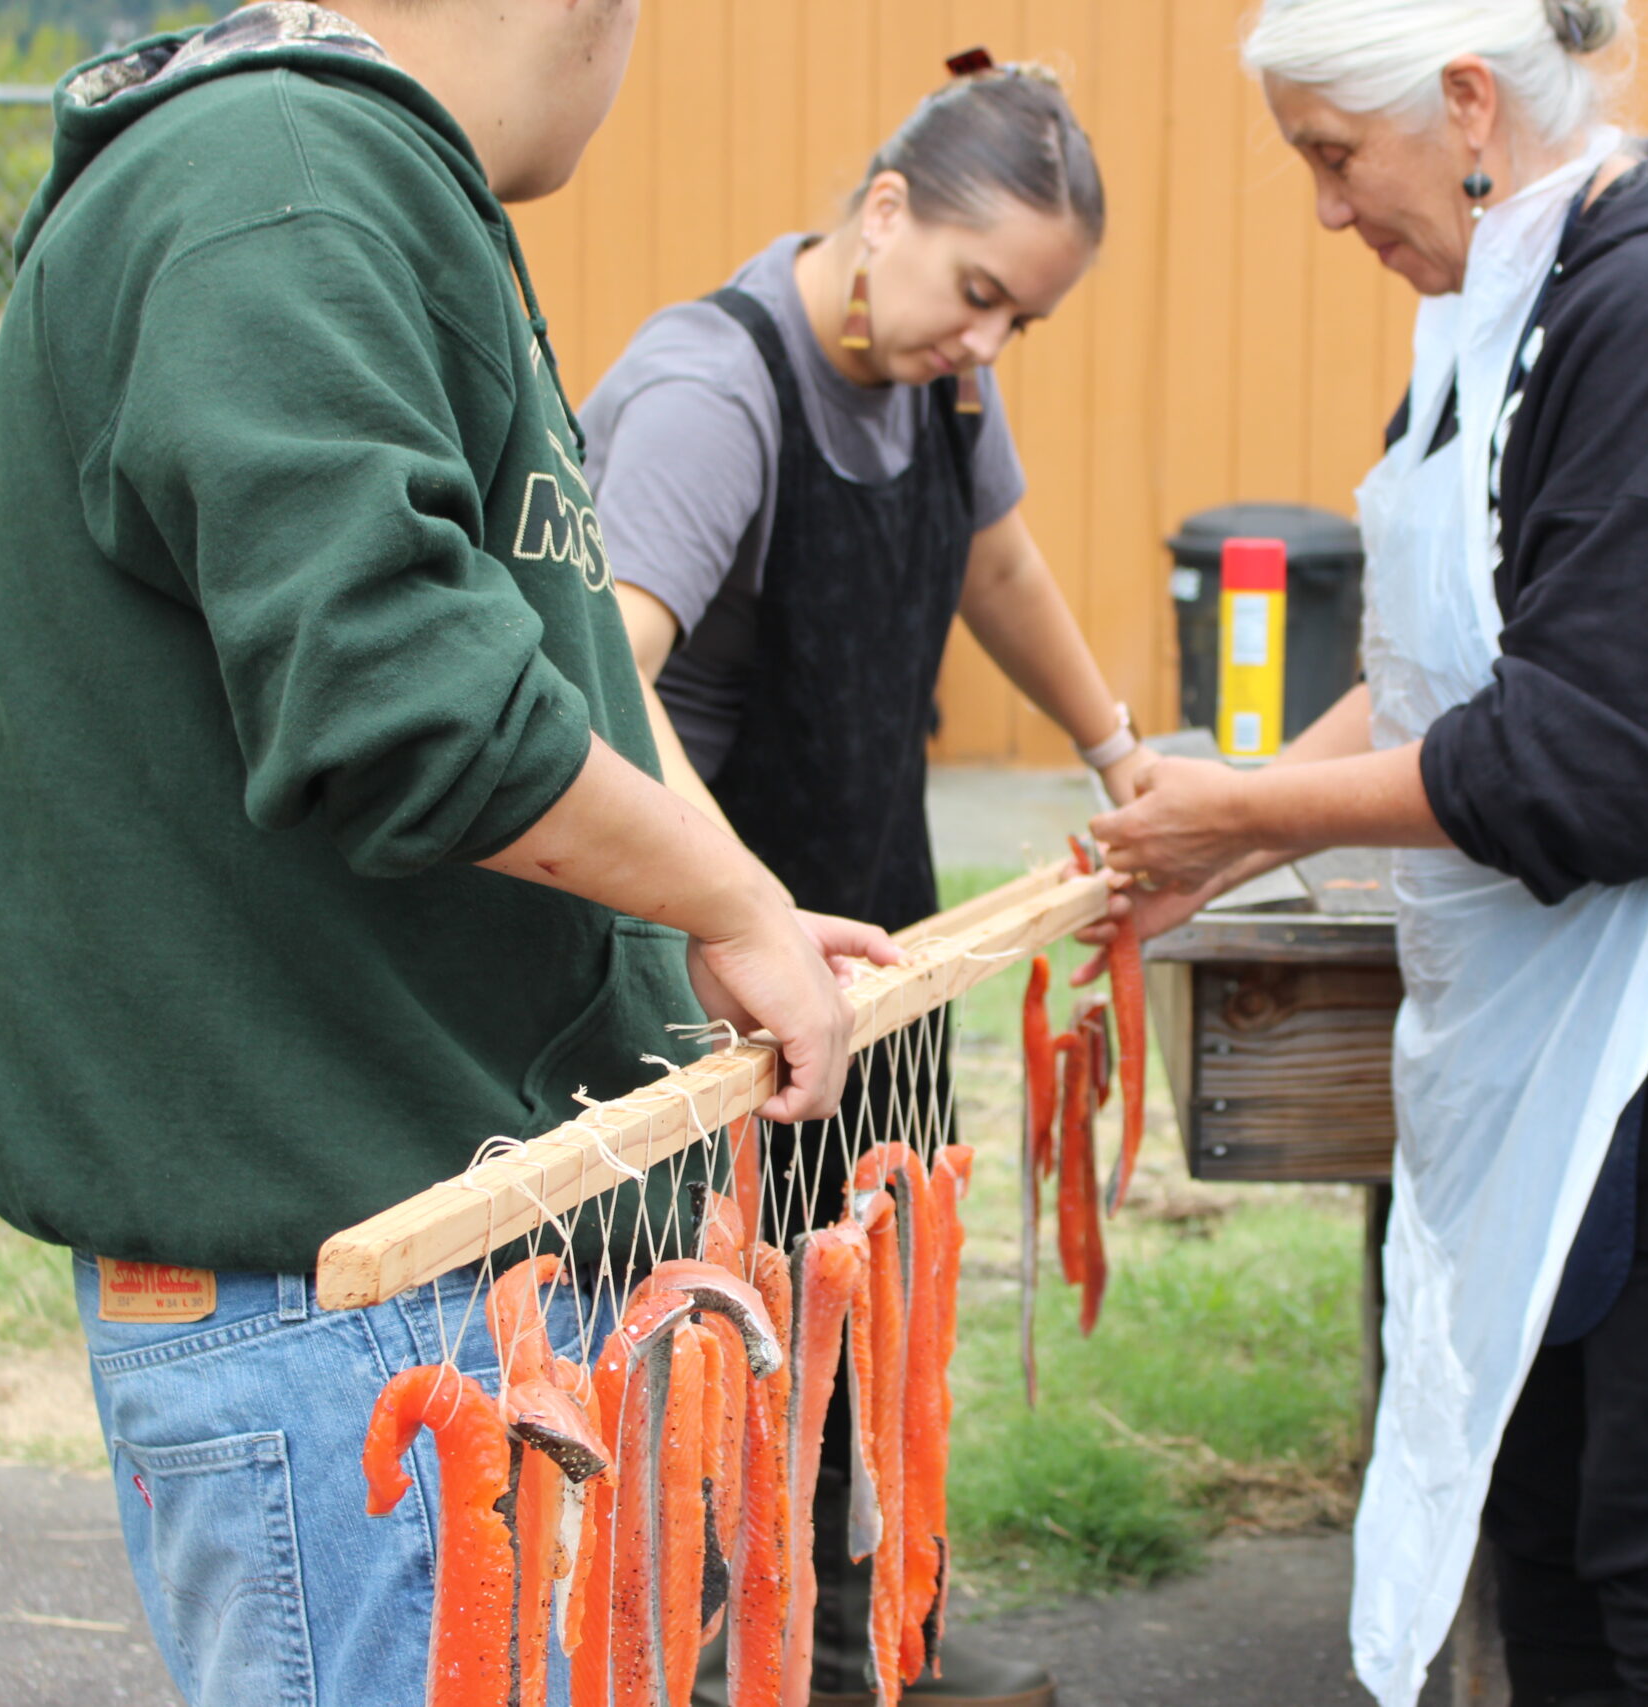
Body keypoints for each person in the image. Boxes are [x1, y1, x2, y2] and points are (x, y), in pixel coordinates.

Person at [0, 6, 887, 1704]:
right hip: (358, 1298)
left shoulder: (349, 181)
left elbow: (546, 665)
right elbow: (407, 704)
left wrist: (711, 912)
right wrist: (724, 897)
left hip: (448, 1262)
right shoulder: (277, 184)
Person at [1088, 2, 1648, 1703]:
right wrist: (1233, 832)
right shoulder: (1518, 306)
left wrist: (1249, 812)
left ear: (1469, 103)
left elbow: (1617, 757)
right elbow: (1458, 666)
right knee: (1550, 1527)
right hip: (1587, 1014)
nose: (1328, 208)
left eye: (1335, 155)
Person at [578, 60, 1138, 1707]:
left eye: (1021, 319)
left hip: (871, 930)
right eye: (979, 293)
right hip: (702, 966)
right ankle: (711, 1670)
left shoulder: (939, 379)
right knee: (720, 1335)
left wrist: (1117, 750)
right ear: (885, 211)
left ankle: (859, 1650)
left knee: (860, 1316)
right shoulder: (714, 392)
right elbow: (603, 684)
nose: (989, 342)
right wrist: (739, 919)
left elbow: (998, 559)